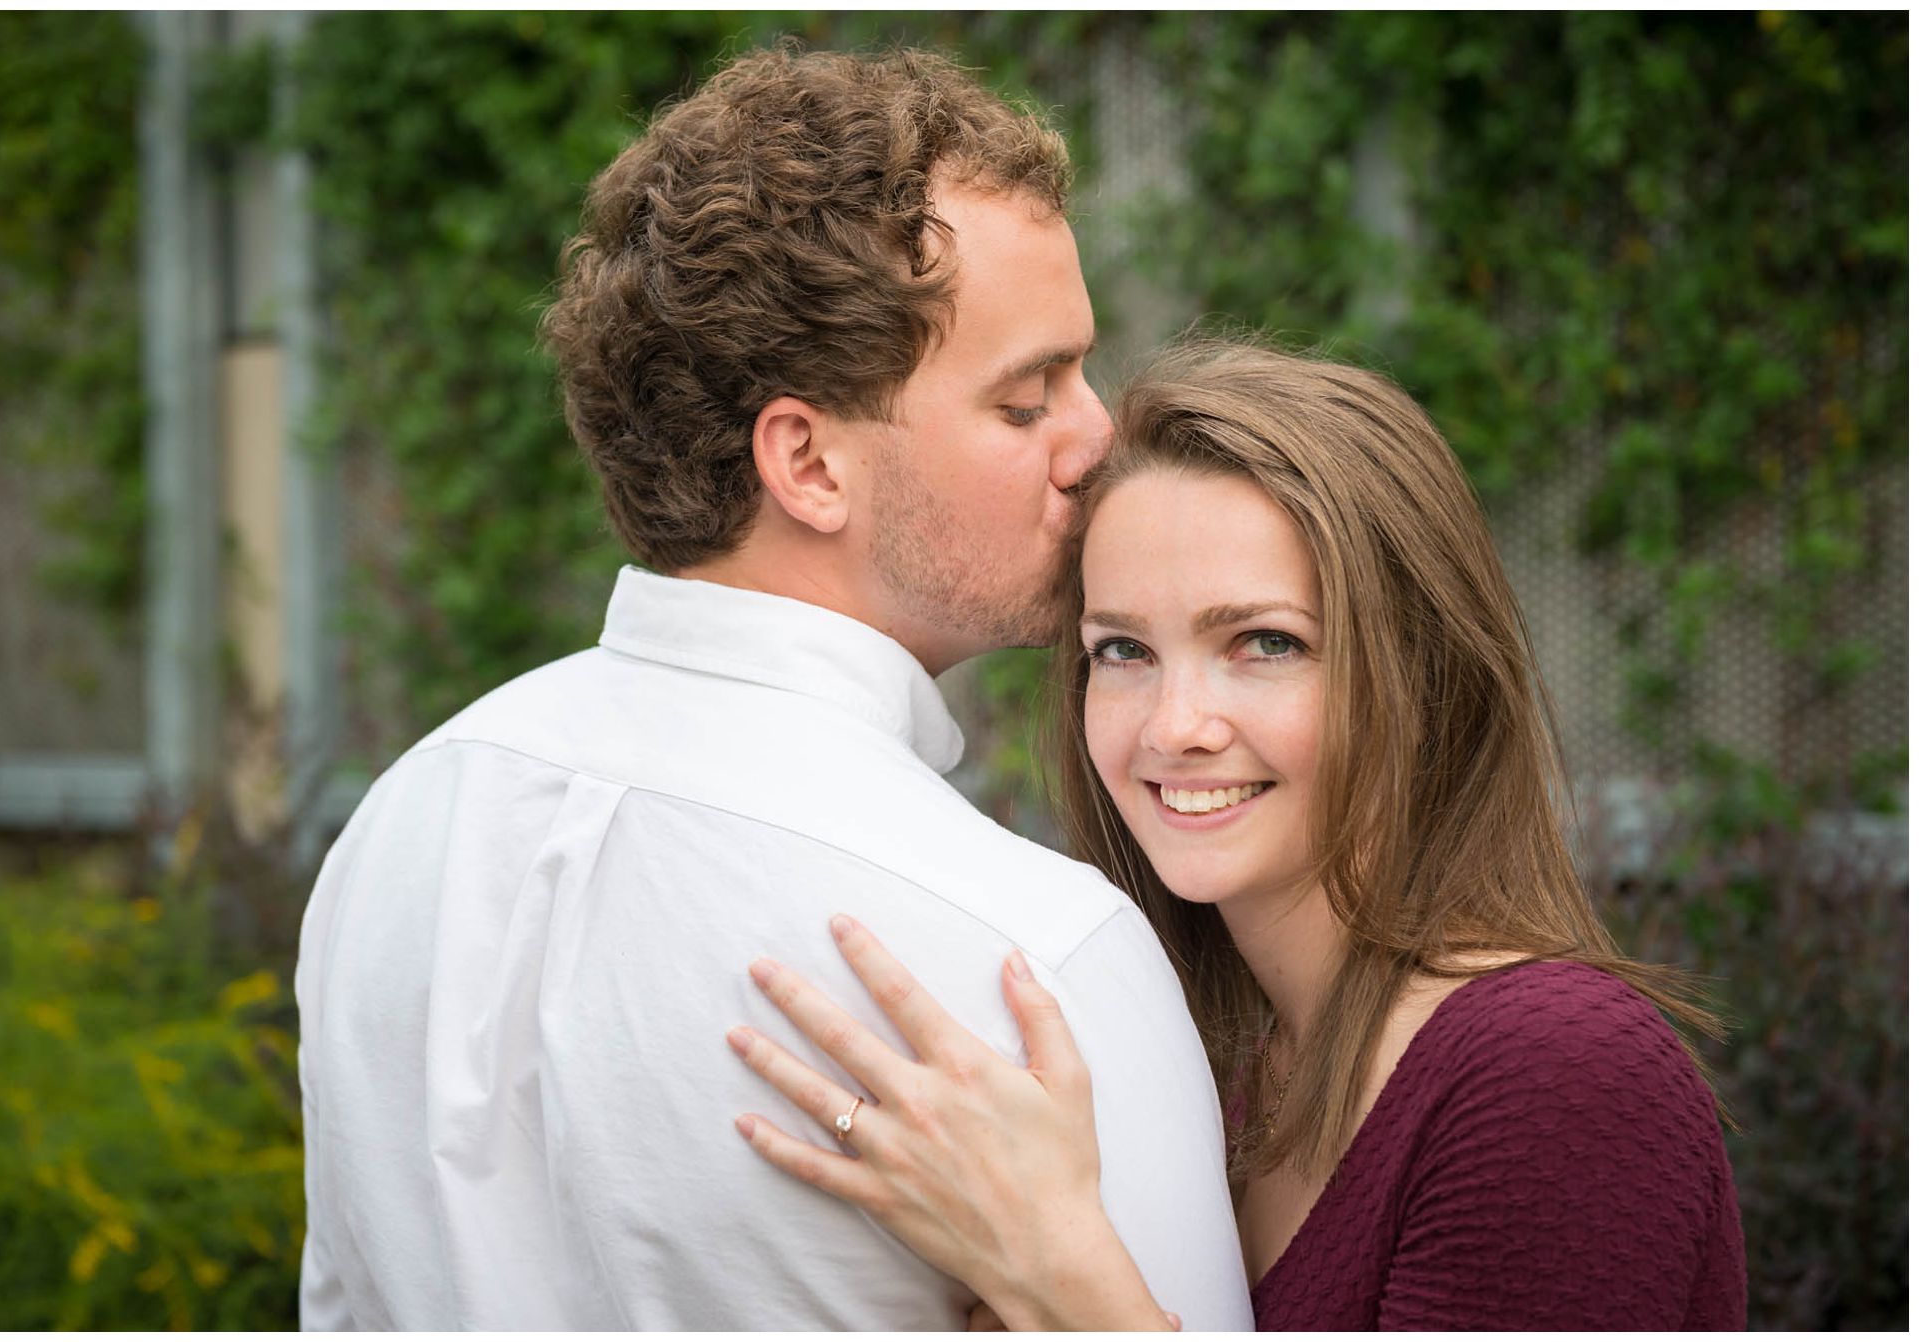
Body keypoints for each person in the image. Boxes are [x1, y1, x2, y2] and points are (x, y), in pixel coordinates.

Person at [293, 47, 1252, 1330]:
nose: (1094, 438)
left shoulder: (404, 823)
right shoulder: (1030, 958)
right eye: (1026, 400)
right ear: (806, 461)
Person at [728, 337, 1750, 1330]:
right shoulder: (1217, 1085)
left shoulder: (1556, 1075)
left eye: (1264, 642)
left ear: (1423, 675)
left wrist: (1071, 1286)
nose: (1175, 725)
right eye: (1122, 649)